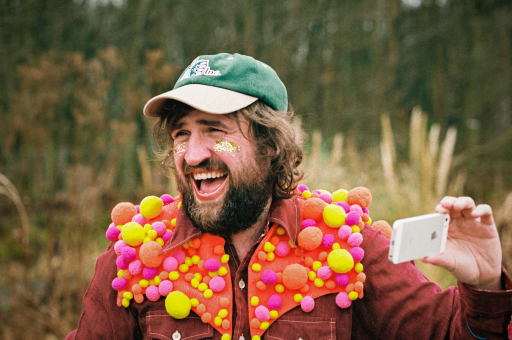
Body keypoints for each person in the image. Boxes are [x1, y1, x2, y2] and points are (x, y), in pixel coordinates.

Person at [67, 53, 512, 340]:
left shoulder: (347, 246)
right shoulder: (134, 256)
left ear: (270, 143)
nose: (193, 153)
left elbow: (449, 334)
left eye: (216, 132)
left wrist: (485, 284)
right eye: (181, 134)